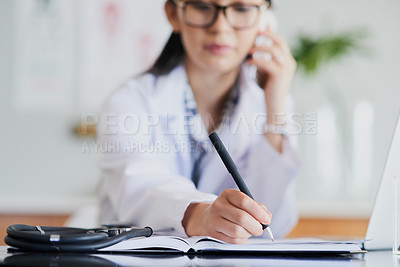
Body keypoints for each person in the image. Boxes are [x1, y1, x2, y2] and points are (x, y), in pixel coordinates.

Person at [98, 0, 300, 244]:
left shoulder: (269, 104)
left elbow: (274, 225)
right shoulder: (130, 101)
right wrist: (201, 214)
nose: (221, 27)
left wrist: (275, 109)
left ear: (265, 20)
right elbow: (139, 188)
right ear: (173, 14)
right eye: (203, 7)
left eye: (242, 9)